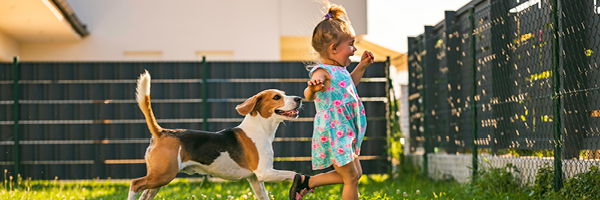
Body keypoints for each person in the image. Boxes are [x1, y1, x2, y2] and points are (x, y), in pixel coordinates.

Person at [288, 2, 374, 200]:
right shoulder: (322, 72)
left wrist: (361, 66)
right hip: (335, 130)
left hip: (346, 128)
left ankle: (307, 182)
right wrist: (312, 88)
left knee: (355, 174)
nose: (354, 49)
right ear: (334, 48)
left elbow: (349, 86)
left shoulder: (341, 70)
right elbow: (308, 96)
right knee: (351, 177)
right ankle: (307, 182)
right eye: (350, 45)